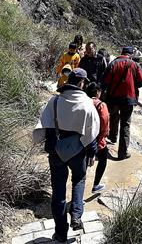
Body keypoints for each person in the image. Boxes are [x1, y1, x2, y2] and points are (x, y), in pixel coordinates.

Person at [32, 68, 99, 242]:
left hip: (56, 151)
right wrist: (92, 153)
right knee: (79, 180)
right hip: (78, 151)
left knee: (58, 193)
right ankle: (76, 216)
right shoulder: (87, 104)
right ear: (82, 83)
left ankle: (61, 233)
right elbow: (91, 132)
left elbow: (44, 126)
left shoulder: (54, 101)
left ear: (69, 81)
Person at [101, 46, 142, 160]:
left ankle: (113, 138)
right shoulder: (134, 65)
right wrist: (132, 84)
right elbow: (141, 82)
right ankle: (122, 152)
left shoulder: (113, 63)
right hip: (128, 99)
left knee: (114, 117)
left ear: (122, 53)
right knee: (125, 124)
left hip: (113, 98)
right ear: (130, 54)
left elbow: (105, 81)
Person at [85, 81, 110, 194]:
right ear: (97, 92)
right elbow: (104, 122)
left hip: (83, 138)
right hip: (97, 138)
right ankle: (96, 185)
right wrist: (104, 136)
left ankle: (79, 191)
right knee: (103, 160)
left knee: (84, 164)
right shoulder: (101, 105)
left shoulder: (83, 102)